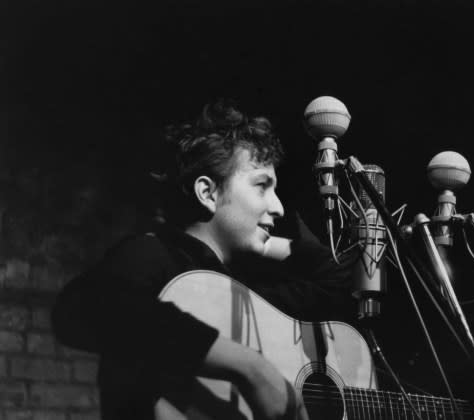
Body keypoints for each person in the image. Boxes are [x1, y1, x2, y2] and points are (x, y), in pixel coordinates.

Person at [52, 99, 358, 420]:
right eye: (262, 186)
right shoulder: (154, 254)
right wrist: (251, 368)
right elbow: (82, 306)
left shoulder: (245, 295)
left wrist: (268, 244)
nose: (279, 207)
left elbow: (333, 281)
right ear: (208, 194)